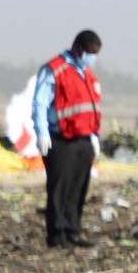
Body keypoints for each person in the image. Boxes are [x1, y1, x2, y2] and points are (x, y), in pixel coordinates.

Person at [33, 30, 103, 249]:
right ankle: (57, 235)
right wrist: (42, 132)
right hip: (60, 140)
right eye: (91, 53)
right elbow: (40, 103)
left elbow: (91, 108)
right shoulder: (55, 69)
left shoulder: (87, 73)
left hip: (83, 140)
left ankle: (73, 231)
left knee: (78, 188)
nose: (93, 58)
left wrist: (94, 137)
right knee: (59, 189)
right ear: (79, 49)